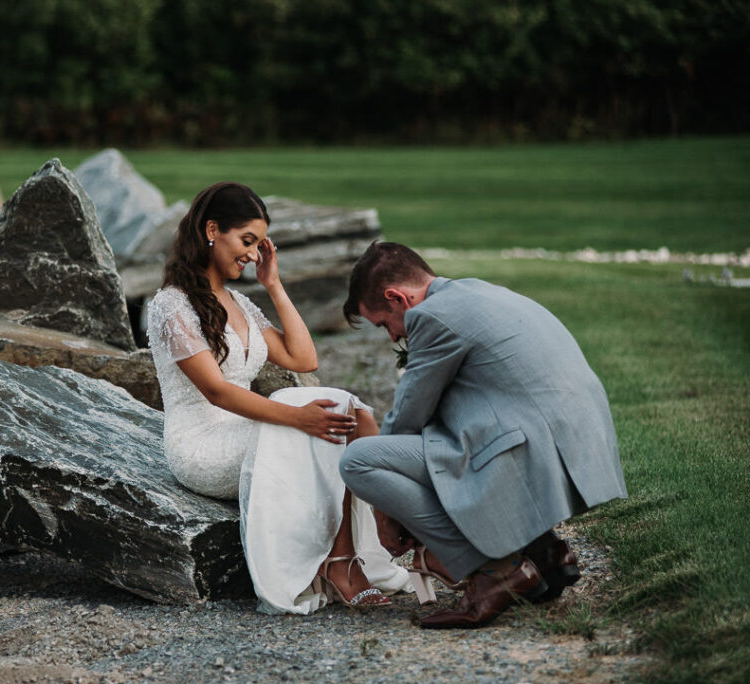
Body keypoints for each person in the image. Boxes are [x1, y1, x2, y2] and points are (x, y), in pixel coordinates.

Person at [145, 183, 431, 614]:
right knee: (311, 414)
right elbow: (217, 391)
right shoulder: (171, 305)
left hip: (243, 426)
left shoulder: (239, 302)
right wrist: (294, 418)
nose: (253, 254)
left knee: (342, 407)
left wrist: (274, 285)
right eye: (247, 241)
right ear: (211, 229)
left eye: (260, 245)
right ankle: (344, 559)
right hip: (201, 445)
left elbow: (303, 356)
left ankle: (378, 524)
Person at [338, 241, 627, 628]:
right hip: (577, 438)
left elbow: (408, 414)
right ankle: (544, 552)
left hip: (532, 443)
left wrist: (385, 510)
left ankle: (497, 569)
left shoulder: (432, 317)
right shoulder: (481, 291)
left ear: (397, 298)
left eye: (383, 323)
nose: (392, 337)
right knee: (451, 440)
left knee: (359, 461)